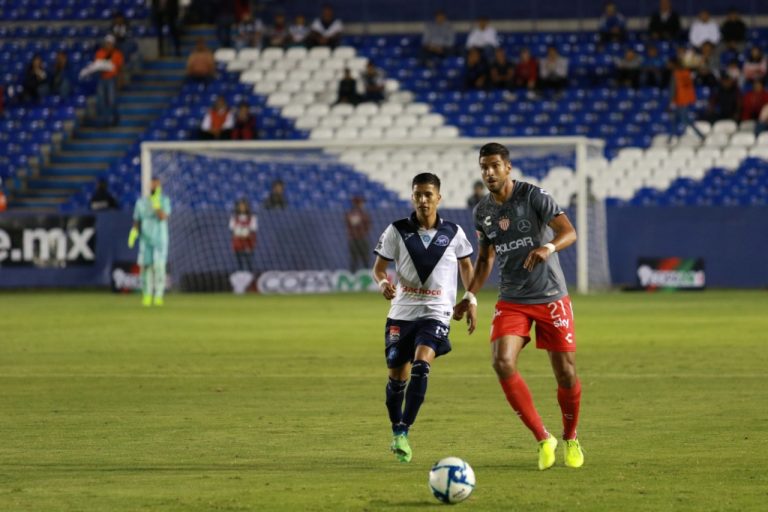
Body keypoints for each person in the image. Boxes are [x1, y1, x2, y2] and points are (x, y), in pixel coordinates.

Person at [452, 142, 583, 471]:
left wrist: (547, 248)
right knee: (502, 361)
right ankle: (543, 438)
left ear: (508, 168)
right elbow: (485, 259)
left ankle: (571, 437)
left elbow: (569, 232)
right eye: (484, 167)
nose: (489, 172)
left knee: (565, 373)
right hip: (512, 299)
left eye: (495, 165)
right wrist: (470, 295)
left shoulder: (533, 196)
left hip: (550, 295)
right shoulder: (482, 212)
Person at [372, 172, 474, 463]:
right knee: (397, 380)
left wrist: (470, 297)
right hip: (401, 313)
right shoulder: (397, 230)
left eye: (428, 194)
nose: (423, 199)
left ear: (438, 198)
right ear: (412, 197)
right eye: (418, 194)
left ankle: (405, 429)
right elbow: (379, 268)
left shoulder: (454, 232)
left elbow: (467, 267)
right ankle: (396, 430)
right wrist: (382, 283)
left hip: (436, 312)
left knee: (421, 366)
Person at [128, 178, 171, 307]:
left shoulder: (164, 200)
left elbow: (163, 217)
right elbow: (137, 219)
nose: (154, 187)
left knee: (159, 267)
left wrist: (157, 205)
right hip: (145, 239)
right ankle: (146, 295)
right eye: (152, 185)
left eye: (156, 185)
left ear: (159, 187)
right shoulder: (141, 202)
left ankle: (158, 295)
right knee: (145, 267)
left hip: (160, 239)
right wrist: (134, 232)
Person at [668, 58, 705, 142]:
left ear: (673, 64)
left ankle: (701, 135)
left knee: (685, 120)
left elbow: (673, 89)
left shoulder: (676, 74)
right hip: (686, 98)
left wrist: (670, 102)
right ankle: (670, 139)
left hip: (680, 100)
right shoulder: (687, 72)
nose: (668, 66)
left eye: (670, 64)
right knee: (675, 120)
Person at [93, 35, 124, 127]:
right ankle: (105, 120)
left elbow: (120, 68)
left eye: (110, 43)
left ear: (113, 44)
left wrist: (120, 79)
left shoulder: (117, 54)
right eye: (107, 43)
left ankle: (114, 118)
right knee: (102, 100)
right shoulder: (99, 53)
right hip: (102, 78)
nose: (108, 45)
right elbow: (97, 65)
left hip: (112, 78)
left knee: (112, 100)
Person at [229, 198, 257, 272]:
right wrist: (240, 234)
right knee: (239, 263)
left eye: (244, 206)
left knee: (249, 262)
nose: (242, 208)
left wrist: (245, 234)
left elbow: (253, 230)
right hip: (237, 244)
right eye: (240, 206)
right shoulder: (234, 217)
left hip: (248, 243)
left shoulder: (252, 217)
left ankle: (250, 275)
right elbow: (232, 230)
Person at [345, 195, 371, 273]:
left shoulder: (363, 213)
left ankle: (367, 275)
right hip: (354, 239)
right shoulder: (351, 213)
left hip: (362, 238)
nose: (362, 204)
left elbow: (368, 225)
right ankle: (353, 275)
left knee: (365, 258)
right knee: (354, 259)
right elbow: (354, 222)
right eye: (360, 202)